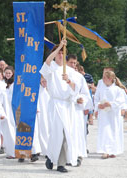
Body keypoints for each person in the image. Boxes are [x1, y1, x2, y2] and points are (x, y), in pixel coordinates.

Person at [40, 40, 78, 173]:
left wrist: (68, 80)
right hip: (56, 104)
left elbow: (76, 88)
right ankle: (52, 157)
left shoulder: (70, 71)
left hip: (67, 106)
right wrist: (60, 46)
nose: (61, 55)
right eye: (59, 53)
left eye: (63, 53)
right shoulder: (51, 68)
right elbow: (46, 62)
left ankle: (58, 161)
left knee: (66, 134)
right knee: (57, 134)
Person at [95, 71, 127, 159]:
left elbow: (121, 101)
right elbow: (96, 99)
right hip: (104, 114)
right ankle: (106, 150)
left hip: (114, 115)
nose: (102, 79)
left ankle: (113, 150)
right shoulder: (100, 89)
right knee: (105, 132)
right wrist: (98, 105)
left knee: (114, 131)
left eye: (104, 78)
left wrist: (110, 104)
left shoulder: (118, 90)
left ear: (110, 79)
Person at [66, 54, 93, 166]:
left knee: (76, 132)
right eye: (71, 62)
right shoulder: (60, 75)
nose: (73, 65)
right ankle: (66, 156)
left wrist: (81, 99)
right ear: (66, 62)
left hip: (76, 109)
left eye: (74, 63)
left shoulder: (79, 77)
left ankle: (77, 155)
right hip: (65, 108)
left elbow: (85, 93)